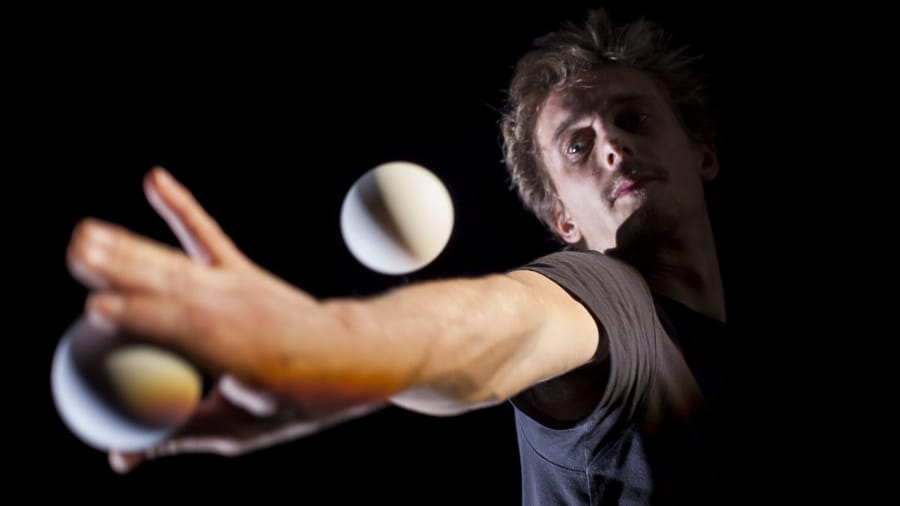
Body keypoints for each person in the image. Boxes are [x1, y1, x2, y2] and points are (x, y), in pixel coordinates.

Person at [65, 8, 741, 504]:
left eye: (633, 119)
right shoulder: (609, 301)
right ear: (561, 219)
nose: (613, 147)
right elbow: (511, 322)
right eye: (577, 145)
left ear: (703, 152)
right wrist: (321, 343)